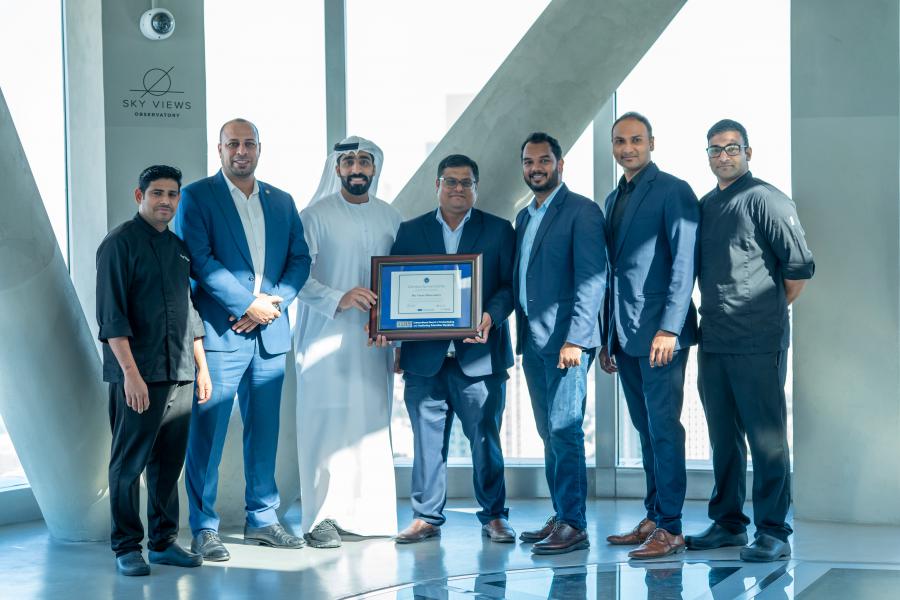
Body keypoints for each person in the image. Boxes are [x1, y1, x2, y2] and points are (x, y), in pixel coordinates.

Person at [174, 118, 312, 560]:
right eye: (232, 143)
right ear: (219, 150)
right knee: (207, 435)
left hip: (270, 335)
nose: (241, 150)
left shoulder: (282, 200)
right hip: (219, 335)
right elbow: (198, 259)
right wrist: (244, 305)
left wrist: (273, 304)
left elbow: (300, 259)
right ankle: (204, 527)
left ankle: (263, 520)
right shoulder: (197, 196)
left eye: (249, 143)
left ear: (259, 148)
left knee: (265, 433)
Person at [685, 119, 815, 562]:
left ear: (748, 152)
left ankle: (774, 530)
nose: (723, 156)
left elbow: (797, 270)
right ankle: (728, 523)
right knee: (723, 437)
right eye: (715, 150)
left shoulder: (766, 200)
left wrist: (766, 312)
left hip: (759, 342)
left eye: (731, 148)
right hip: (715, 340)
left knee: (767, 440)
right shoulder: (706, 205)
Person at [390, 154, 517, 544]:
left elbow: (510, 287)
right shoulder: (409, 232)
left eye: (466, 182)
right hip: (424, 360)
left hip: (478, 357)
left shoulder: (499, 230)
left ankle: (494, 516)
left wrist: (490, 317)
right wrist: (396, 340)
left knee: (485, 439)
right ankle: (426, 517)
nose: (457, 189)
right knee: (426, 443)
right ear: (437, 186)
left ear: (476, 188)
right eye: (450, 181)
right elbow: (395, 289)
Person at [96, 165, 211, 576]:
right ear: (139, 195)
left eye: (172, 194)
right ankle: (127, 547)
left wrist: (201, 367)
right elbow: (111, 318)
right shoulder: (118, 245)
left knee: (167, 465)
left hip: (179, 371)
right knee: (128, 465)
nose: (166, 201)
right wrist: (130, 375)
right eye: (157, 193)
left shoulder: (179, 247)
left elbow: (189, 310)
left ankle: (162, 542)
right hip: (138, 376)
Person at [599, 112, 699, 559]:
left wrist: (670, 328)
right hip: (625, 334)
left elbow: (684, 264)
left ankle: (672, 527)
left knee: (663, 430)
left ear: (652, 143)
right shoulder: (613, 197)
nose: (627, 148)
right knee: (644, 431)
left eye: (636, 140)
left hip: (660, 335)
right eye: (620, 141)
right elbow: (612, 273)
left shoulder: (673, 191)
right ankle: (655, 516)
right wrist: (607, 338)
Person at [293, 136, 401, 548]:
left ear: (374, 169)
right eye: (349, 161)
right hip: (323, 339)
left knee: (369, 425)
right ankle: (319, 518)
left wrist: (400, 336)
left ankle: (366, 515)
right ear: (336, 169)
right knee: (324, 424)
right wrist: (339, 297)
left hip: (375, 344)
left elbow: (401, 280)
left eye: (365, 161)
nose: (357, 168)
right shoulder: (314, 216)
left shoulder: (392, 217)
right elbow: (296, 279)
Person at [514, 133, 607, 554]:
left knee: (564, 430)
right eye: (530, 162)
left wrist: (577, 338)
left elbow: (593, 280)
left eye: (544, 161)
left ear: (560, 164)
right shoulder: (524, 216)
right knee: (547, 432)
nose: (536, 168)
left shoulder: (582, 212)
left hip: (567, 343)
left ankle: (574, 523)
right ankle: (561, 514)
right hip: (535, 343)